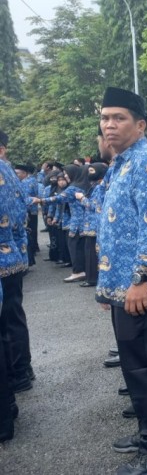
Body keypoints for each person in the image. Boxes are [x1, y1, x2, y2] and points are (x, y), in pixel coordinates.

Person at [96, 87, 147, 474]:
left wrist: (140, 278)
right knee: (135, 366)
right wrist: (108, 286)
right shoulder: (122, 162)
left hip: (145, 287)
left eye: (119, 118)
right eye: (105, 118)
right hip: (124, 285)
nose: (109, 125)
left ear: (140, 124)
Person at [0, 130, 33, 395]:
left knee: (7, 320)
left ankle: (15, 374)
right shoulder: (9, 171)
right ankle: (22, 370)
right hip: (14, 252)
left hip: (3, 255)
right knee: (13, 316)